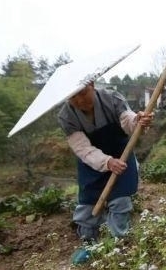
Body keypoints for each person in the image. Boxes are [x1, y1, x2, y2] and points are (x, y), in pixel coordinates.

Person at [57, 81, 153, 265]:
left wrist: (138, 121)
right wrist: (106, 162)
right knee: (88, 203)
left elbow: (127, 120)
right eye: (72, 97)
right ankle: (89, 242)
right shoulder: (66, 116)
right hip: (92, 160)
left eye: (83, 93)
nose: (79, 100)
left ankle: (117, 242)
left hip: (121, 153)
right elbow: (82, 148)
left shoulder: (112, 98)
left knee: (120, 199)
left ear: (91, 84)